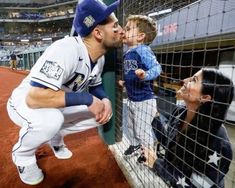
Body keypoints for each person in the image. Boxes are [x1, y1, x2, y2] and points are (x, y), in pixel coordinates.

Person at [6, 0, 123, 185]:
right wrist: (86, 98)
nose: (121, 30)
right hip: (23, 102)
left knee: (102, 113)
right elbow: (34, 98)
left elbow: (96, 86)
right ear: (98, 33)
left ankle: (55, 136)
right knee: (51, 120)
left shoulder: (97, 58)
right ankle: (22, 156)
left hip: (54, 103)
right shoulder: (67, 48)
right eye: (115, 26)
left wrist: (105, 100)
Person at [141, 68, 234, 188]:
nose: (184, 80)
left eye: (193, 80)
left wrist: (156, 164)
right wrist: (155, 118)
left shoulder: (218, 141)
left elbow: (194, 185)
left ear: (205, 97)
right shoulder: (180, 112)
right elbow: (171, 145)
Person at [118, 15, 162, 159]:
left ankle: (149, 157)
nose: (124, 31)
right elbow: (131, 75)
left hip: (144, 100)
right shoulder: (128, 53)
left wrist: (145, 75)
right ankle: (137, 146)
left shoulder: (143, 50)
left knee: (142, 130)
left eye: (128, 29)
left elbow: (157, 68)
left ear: (141, 36)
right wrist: (125, 83)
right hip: (133, 99)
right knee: (131, 127)